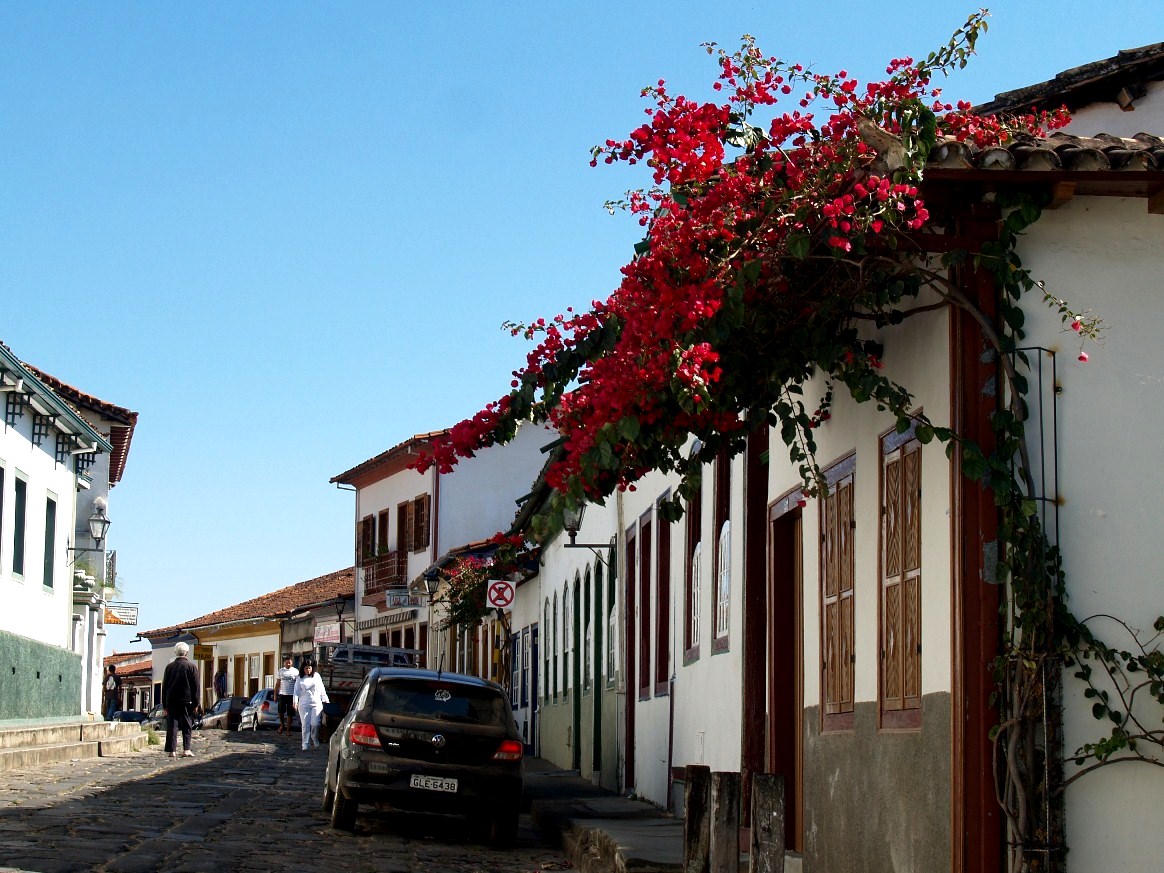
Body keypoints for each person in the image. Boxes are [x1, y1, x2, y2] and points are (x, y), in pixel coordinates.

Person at [161, 642, 200, 758]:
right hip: (187, 701)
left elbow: (165, 686)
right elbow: (196, 686)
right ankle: (186, 749)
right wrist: (196, 703)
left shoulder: (169, 667)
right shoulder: (191, 667)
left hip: (171, 700)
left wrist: (164, 705)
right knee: (187, 725)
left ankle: (172, 750)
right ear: (186, 653)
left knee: (172, 725)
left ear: (175, 652)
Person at [292, 660, 329, 750]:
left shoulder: (317, 676)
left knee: (315, 723)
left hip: (316, 703)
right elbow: (296, 691)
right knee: (305, 724)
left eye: (309, 668)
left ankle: (314, 737)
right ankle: (305, 743)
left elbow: (322, 689)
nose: (308, 670)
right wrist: (295, 702)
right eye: (306, 668)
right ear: (303, 669)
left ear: (312, 668)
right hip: (304, 703)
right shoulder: (299, 678)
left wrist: (326, 700)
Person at [274, 655, 298, 735]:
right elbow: (277, 683)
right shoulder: (281, 671)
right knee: (281, 711)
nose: (288, 664)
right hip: (282, 694)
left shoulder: (295, 671)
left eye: (290, 663)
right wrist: (275, 694)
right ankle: (282, 725)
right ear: (284, 663)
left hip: (291, 694)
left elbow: (298, 683)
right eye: (287, 663)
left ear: (292, 663)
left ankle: (288, 729)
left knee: (290, 713)